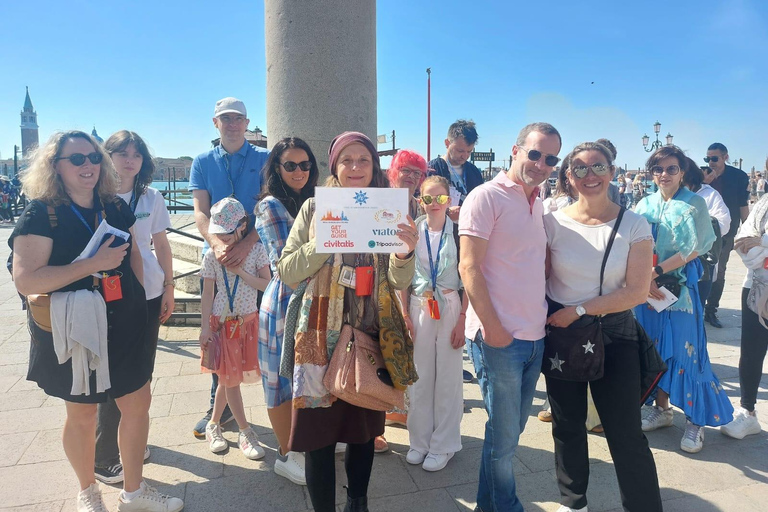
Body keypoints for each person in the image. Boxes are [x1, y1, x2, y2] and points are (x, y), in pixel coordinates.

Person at [9, 130, 183, 511]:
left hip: (125, 320)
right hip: (76, 326)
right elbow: (26, 280)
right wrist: (92, 266)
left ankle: (134, 493)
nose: (87, 165)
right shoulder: (42, 212)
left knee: (137, 403)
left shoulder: (112, 205)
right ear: (55, 166)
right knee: (83, 413)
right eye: (76, 159)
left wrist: (140, 296)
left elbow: (135, 251)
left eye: (93, 158)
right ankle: (87, 491)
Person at [277, 131, 418, 512]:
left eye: (363, 160)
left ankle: (359, 502)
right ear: (335, 166)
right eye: (347, 160)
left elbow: (400, 281)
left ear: (374, 166)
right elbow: (287, 271)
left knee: (363, 432)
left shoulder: (389, 210)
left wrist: (406, 252)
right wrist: (322, 241)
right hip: (319, 337)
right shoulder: (313, 209)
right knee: (317, 438)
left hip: (371, 332)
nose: (355, 168)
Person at [544, 141, 662, 512]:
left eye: (598, 167)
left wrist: (579, 310)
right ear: (568, 176)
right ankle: (572, 501)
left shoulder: (634, 224)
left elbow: (636, 292)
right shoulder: (552, 222)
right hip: (564, 337)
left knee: (625, 432)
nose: (589, 175)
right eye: (579, 169)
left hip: (613, 334)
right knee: (567, 426)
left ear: (612, 172)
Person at [459, 122, 562, 512]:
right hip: (499, 337)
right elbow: (469, 268)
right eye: (534, 153)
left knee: (508, 434)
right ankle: (506, 507)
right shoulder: (486, 197)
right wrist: (494, 328)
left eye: (550, 158)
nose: (541, 163)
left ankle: (490, 505)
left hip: (533, 336)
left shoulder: (537, 201)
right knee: (504, 439)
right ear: (516, 151)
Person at [635, 145, 733, 453]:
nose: (664, 174)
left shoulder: (694, 205)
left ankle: (695, 421)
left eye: (671, 169)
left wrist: (658, 270)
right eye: (658, 169)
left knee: (687, 351)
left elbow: (698, 245)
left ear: (683, 172)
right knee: (653, 350)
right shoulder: (644, 204)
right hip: (647, 291)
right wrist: (642, 277)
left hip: (678, 292)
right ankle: (662, 409)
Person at [92, 131, 175, 484]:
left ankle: (132, 438)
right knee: (113, 375)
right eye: (121, 153)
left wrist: (169, 286)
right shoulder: (93, 196)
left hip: (149, 291)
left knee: (142, 370)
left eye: (136, 154)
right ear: (106, 156)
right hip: (105, 296)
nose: (129, 160)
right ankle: (104, 454)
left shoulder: (151, 198)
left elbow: (161, 245)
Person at [189, 97, 270, 437]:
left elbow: (268, 205)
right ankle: (216, 409)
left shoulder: (265, 159)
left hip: (256, 252)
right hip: (220, 255)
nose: (233, 124)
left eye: (239, 118)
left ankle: (275, 403)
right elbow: (200, 212)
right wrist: (219, 245)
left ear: (247, 122)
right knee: (220, 329)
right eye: (227, 119)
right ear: (215, 123)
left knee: (260, 330)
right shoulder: (202, 161)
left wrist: (248, 243)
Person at [254, 137, 319, 485]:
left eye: (304, 164)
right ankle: (285, 452)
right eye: (290, 165)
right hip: (284, 302)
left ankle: (303, 444)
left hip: (315, 299)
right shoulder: (270, 206)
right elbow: (284, 261)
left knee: (304, 376)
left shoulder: (314, 200)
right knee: (279, 380)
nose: (298, 171)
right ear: (277, 168)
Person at [199, 197, 270, 461]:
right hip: (222, 324)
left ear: (242, 226)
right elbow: (207, 294)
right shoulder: (210, 255)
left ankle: (213, 424)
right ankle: (244, 430)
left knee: (227, 379)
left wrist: (242, 273)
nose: (224, 237)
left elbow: (267, 285)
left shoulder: (257, 251)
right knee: (230, 380)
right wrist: (204, 328)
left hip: (248, 323)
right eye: (219, 231)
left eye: (228, 231)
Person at [405, 176, 468, 472]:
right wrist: (404, 314)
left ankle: (444, 444)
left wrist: (464, 320)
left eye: (440, 198)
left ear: (449, 200)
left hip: (450, 303)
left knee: (448, 378)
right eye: (428, 199)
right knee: (419, 376)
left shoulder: (459, 232)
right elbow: (400, 271)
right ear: (420, 200)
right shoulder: (411, 230)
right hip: (419, 304)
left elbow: (469, 277)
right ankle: (419, 441)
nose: (434, 204)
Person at [377, 149, 429, 449]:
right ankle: (372, 423)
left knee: (399, 351)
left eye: (417, 173)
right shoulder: (379, 202)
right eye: (405, 170)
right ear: (392, 171)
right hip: (378, 287)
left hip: (407, 286)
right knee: (378, 351)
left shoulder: (419, 208)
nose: (411, 177)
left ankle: (395, 409)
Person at [429, 120, 483, 384]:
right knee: (440, 295)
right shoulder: (433, 168)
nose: (464, 156)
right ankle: (438, 357)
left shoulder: (474, 172)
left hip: (464, 239)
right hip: (438, 240)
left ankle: (454, 356)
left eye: (468, 152)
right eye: (460, 150)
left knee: (461, 297)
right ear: (447, 143)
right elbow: (424, 201)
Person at [720, 186, 768, 440]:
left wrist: (764, 242)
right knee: (751, 351)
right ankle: (748, 412)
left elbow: (755, 241)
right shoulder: (763, 203)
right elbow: (743, 240)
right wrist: (759, 249)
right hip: (757, 286)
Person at [703, 142, 749, 328]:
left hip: (726, 234)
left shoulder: (738, 177)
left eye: (715, 158)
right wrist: (704, 183)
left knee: (719, 272)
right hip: (702, 231)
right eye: (708, 158)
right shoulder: (701, 175)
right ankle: (697, 307)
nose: (711, 162)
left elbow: (742, 205)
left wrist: (748, 230)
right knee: (700, 271)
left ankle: (711, 310)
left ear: (725, 157)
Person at [681, 158, 730, 308]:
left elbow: (724, 223)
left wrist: (695, 225)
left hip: (700, 262)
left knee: (695, 307)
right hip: (672, 264)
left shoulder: (710, 195)